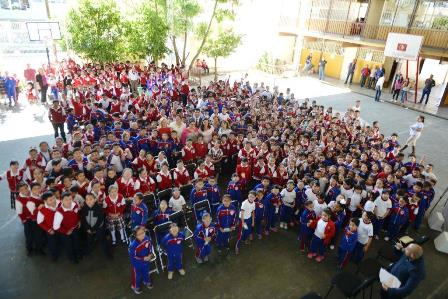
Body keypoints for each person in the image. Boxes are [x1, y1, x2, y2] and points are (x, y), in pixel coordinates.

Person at [53, 192, 81, 264]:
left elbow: (77, 214)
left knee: (76, 242)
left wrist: (78, 221)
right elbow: (55, 227)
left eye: (70, 199)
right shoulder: (59, 212)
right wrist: (66, 231)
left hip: (74, 228)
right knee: (69, 245)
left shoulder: (74, 204)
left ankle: (78, 254)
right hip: (65, 232)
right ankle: (72, 258)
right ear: (61, 201)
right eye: (66, 200)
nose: (69, 201)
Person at [128, 226, 154, 294]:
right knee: (138, 275)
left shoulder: (147, 238)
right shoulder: (133, 245)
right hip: (137, 263)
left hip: (146, 260)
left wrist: (150, 254)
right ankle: (136, 286)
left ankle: (146, 281)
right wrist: (143, 258)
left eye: (143, 232)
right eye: (139, 234)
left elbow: (150, 246)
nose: (142, 235)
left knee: (146, 271)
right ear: (135, 236)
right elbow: (134, 256)